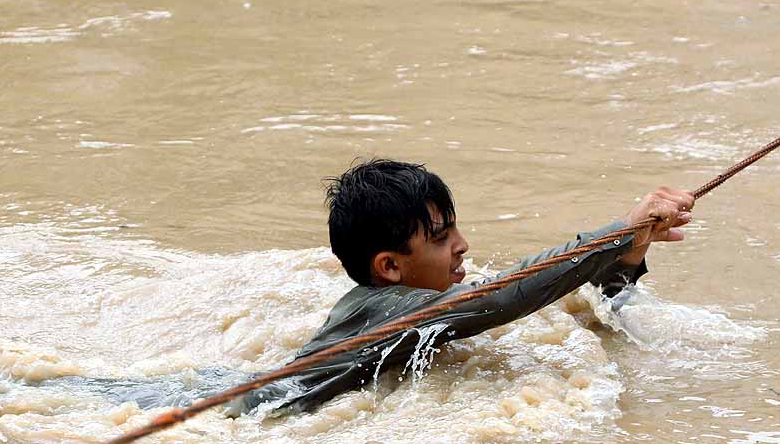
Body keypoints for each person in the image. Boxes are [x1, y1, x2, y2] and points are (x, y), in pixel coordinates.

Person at [227, 159, 695, 416]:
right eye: (440, 238)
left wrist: (630, 249)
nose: (462, 245)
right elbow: (506, 294)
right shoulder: (393, 308)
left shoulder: (402, 302)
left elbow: (593, 310)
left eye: (455, 229)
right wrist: (618, 232)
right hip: (257, 408)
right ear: (389, 266)